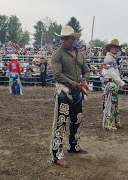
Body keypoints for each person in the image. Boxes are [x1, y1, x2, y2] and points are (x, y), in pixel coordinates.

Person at [49, 25, 90, 168]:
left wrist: (84, 80)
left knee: (77, 120)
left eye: (66, 38)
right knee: (61, 122)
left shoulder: (79, 54)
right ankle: (57, 155)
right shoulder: (57, 54)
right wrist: (76, 84)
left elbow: (86, 70)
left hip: (76, 90)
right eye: (62, 38)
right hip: (64, 92)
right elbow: (57, 75)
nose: (63, 40)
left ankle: (74, 146)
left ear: (73, 39)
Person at [101, 39, 126, 131]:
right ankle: (109, 124)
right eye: (114, 47)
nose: (116, 49)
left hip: (112, 83)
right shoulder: (109, 58)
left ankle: (113, 122)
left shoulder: (112, 58)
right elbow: (111, 72)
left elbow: (107, 71)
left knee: (112, 103)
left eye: (117, 47)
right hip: (111, 83)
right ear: (110, 48)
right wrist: (121, 82)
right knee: (111, 104)